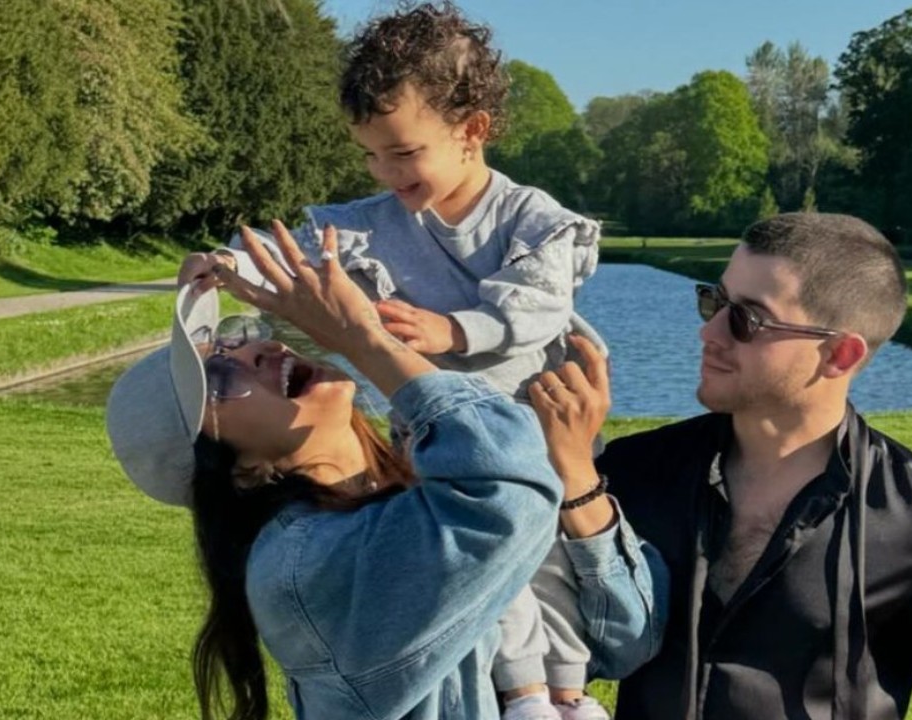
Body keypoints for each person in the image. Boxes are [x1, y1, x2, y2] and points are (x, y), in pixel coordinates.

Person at [180, 4, 613, 718]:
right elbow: (300, 253)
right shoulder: (377, 220)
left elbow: (539, 305)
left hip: (526, 428)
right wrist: (226, 263)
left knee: (546, 570)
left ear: (471, 131)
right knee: (484, 583)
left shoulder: (531, 220)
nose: (386, 172)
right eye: (371, 155)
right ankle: (527, 696)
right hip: (435, 439)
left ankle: (563, 694)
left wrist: (453, 330)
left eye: (404, 153)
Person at [105, 223, 665, 720]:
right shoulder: (306, 568)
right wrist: (365, 338)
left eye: (237, 340)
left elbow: (626, 639)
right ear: (242, 471)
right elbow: (506, 501)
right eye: (221, 382)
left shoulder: (418, 479)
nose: (260, 350)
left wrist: (573, 474)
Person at [585, 213, 912, 719]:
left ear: (840, 354)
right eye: (714, 300)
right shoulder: (634, 472)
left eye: (747, 318)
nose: (709, 331)